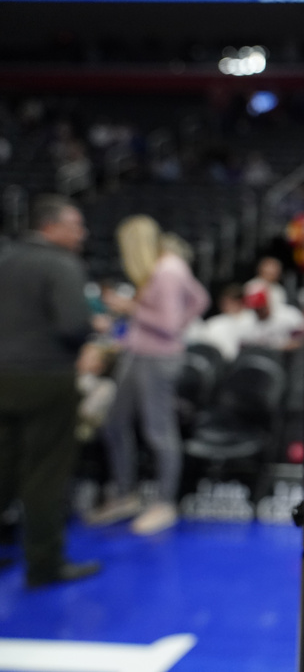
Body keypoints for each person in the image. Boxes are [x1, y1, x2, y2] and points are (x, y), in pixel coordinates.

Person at [0, 194, 103, 587]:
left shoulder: (5, 257)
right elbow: (74, 325)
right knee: (45, 473)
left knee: (3, 468)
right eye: (76, 225)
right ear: (50, 227)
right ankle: (44, 564)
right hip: (45, 377)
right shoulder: (60, 264)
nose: (83, 233)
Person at [90, 216, 209, 535]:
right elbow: (200, 299)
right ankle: (125, 493)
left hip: (157, 358)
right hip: (138, 352)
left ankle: (164, 503)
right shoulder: (164, 266)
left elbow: (168, 323)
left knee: (158, 430)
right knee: (114, 422)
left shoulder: (168, 271)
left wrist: (128, 307)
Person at [237, 282, 304, 352]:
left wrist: (285, 346)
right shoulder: (246, 322)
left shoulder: (289, 315)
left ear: (268, 301)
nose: (258, 310)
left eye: (260, 307)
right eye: (255, 308)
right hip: (262, 358)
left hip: (288, 357)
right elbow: (243, 349)